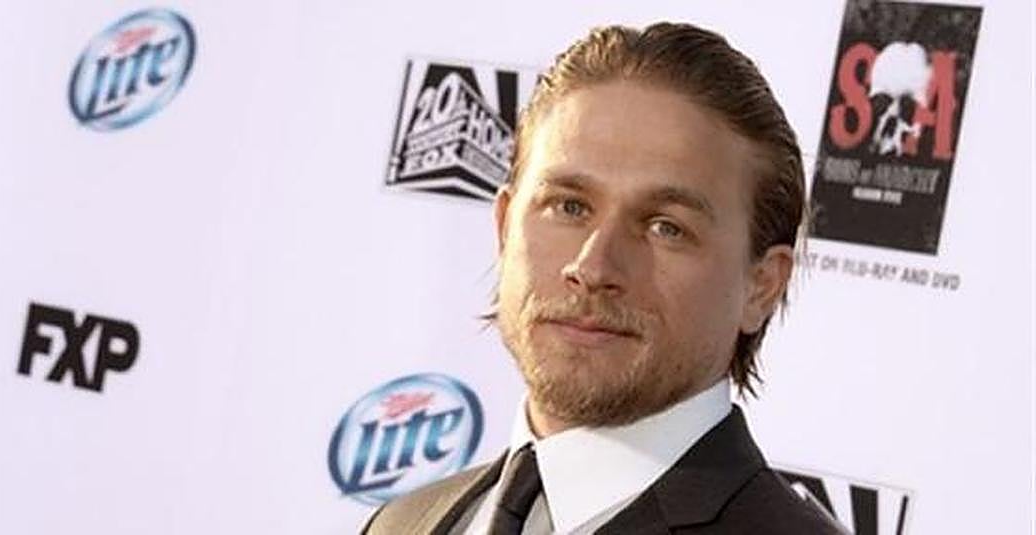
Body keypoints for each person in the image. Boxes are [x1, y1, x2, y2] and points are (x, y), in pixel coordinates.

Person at [362, 22, 846, 535]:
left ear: (762, 285)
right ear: (505, 228)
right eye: (569, 207)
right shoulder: (401, 523)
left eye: (666, 227)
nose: (593, 268)